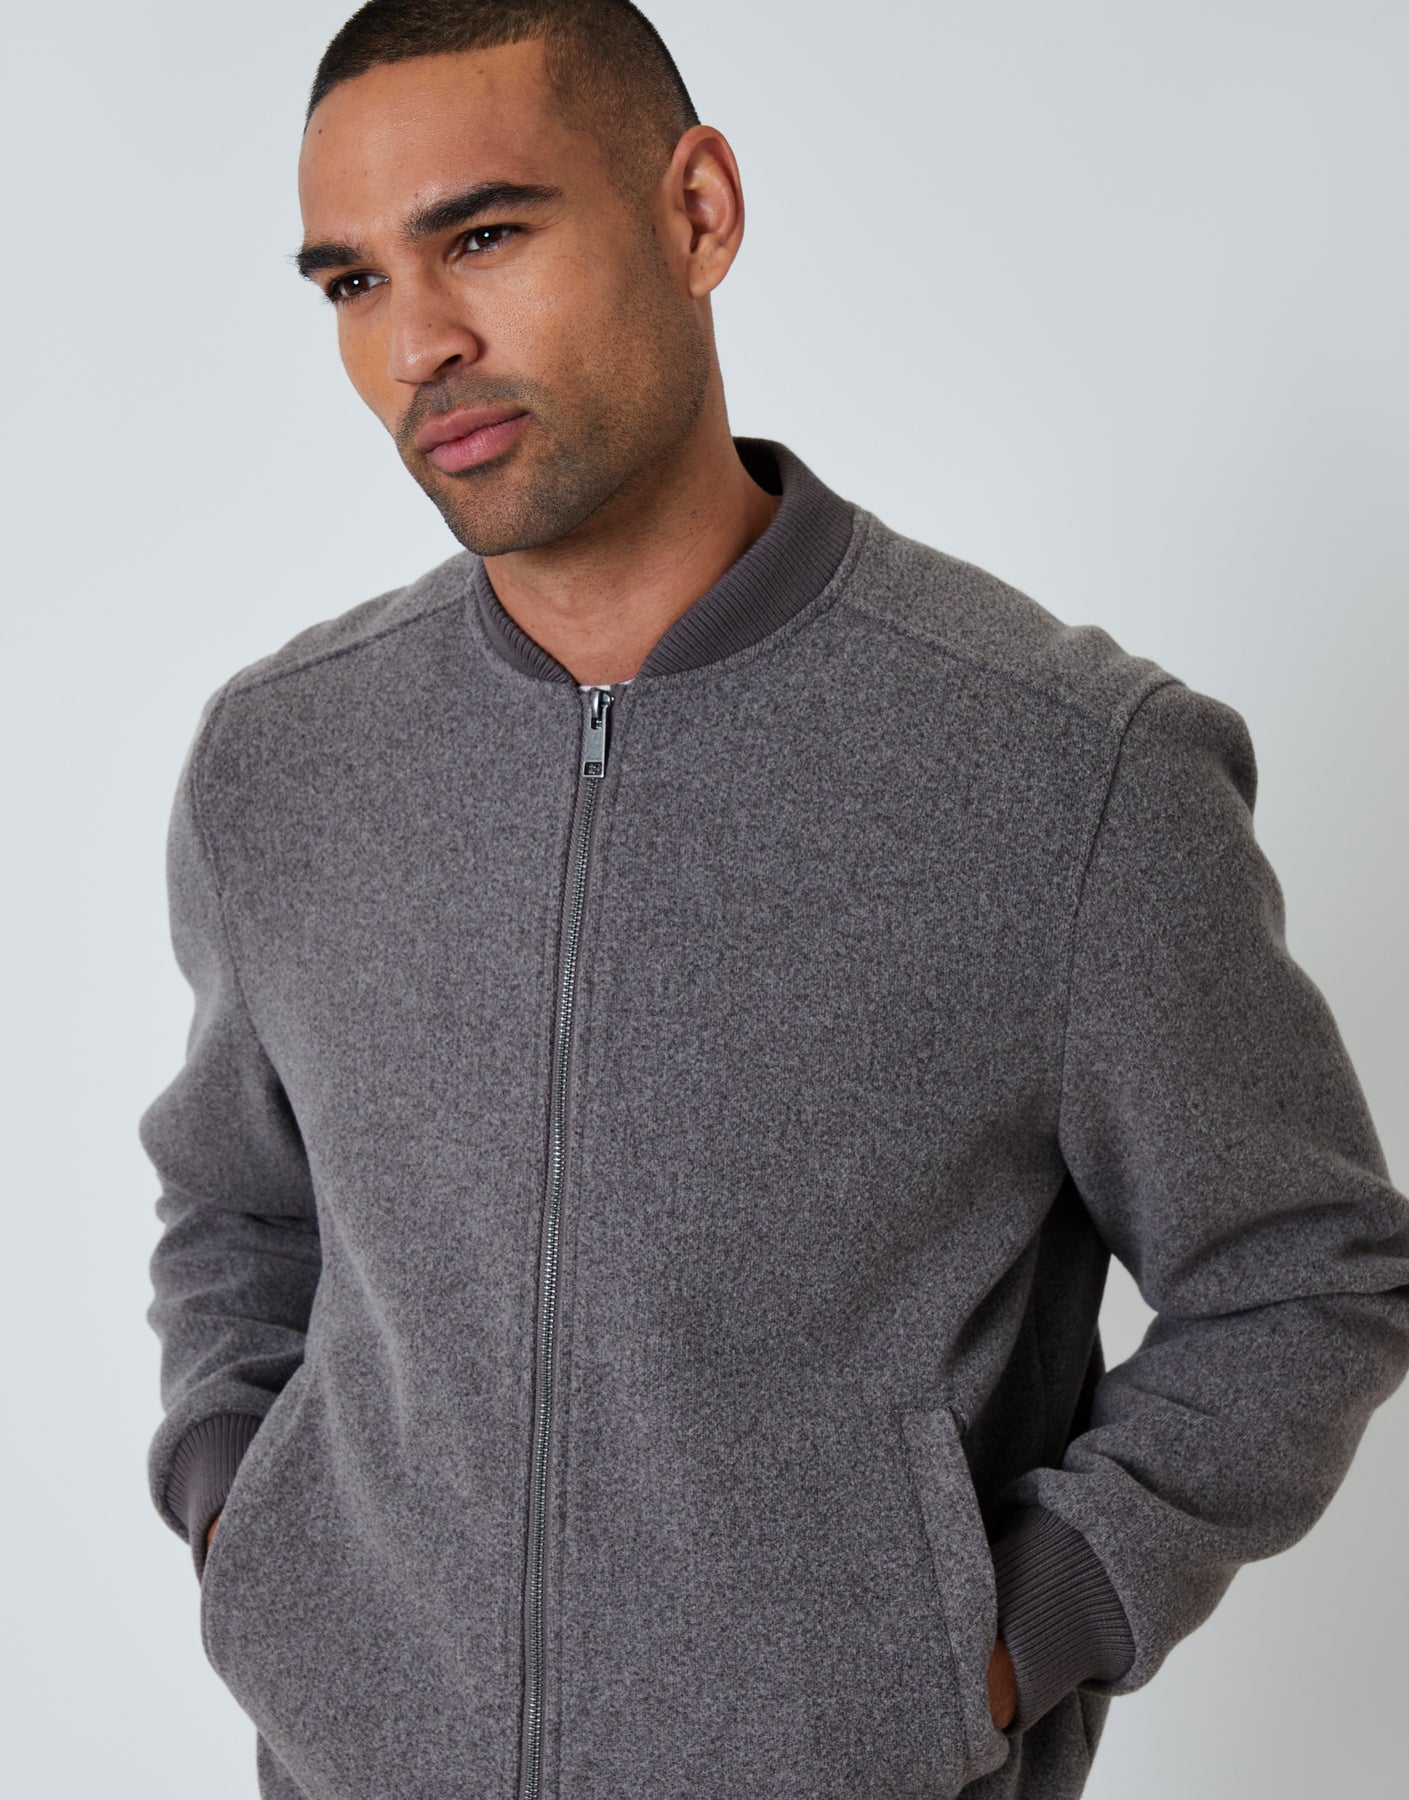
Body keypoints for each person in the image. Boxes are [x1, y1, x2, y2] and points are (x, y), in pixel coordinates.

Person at [141, 3, 1409, 1797]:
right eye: (351, 282)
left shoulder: (1066, 769)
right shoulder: (282, 761)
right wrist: (242, 1518)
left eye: (482, 236)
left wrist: (1002, 1637)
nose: (418, 343)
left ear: (698, 212)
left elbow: (1301, 1268)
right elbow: (239, 1208)